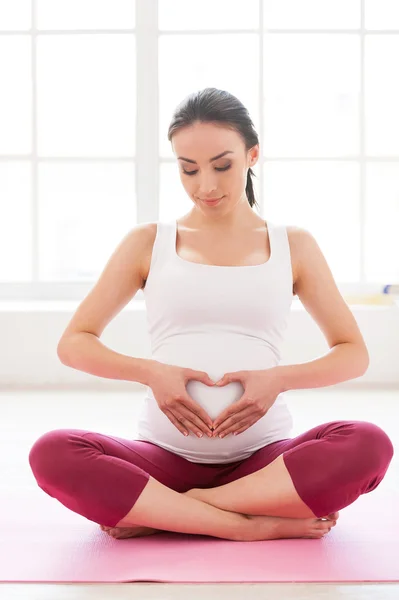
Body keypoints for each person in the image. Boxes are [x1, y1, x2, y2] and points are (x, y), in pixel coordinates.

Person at [28, 88, 394, 543]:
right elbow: (75, 342)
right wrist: (151, 373)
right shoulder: (148, 242)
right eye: (188, 169)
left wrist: (278, 379)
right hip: (163, 459)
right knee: (53, 453)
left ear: (252, 155)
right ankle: (251, 526)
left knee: (368, 444)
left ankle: (171, 512)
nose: (206, 185)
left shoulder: (293, 244)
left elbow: (352, 353)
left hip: (265, 462)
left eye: (222, 166)